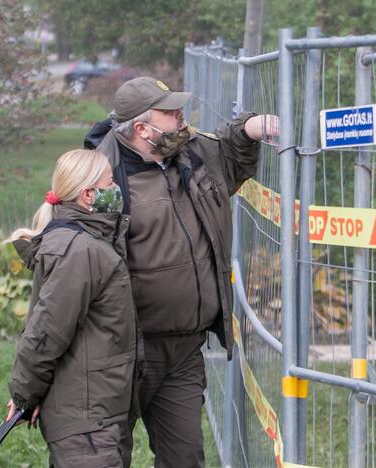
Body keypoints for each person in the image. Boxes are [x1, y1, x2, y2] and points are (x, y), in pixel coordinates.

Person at [84, 76, 278, 467]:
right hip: (121, 353)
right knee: (105, 458)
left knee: (185, 458)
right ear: (141, 128)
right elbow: (77, 265)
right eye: (170, 113)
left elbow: (228, 152)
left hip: (184, 350)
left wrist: (252, 128)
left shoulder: (189, 152)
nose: (181, 118)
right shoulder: (100, 178)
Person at [6, 149, 135, 467]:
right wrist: (25, 396)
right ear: (88, 195)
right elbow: (46, 333)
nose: (117, 188)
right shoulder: (80, 250)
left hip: (94, 413)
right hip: (85, 421)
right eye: (110, 181)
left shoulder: (90, 241)